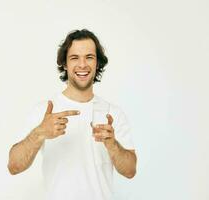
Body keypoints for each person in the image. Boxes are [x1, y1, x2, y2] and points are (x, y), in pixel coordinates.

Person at [8, 29, 137, 200]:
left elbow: (130, 171)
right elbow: (14, 166)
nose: (82, 64)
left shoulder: (113, 113)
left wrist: (112, 145)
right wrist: (39, 133)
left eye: (89, 57)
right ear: (64, 64)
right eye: (74, 57)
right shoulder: (44, 110)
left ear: (97, 63)